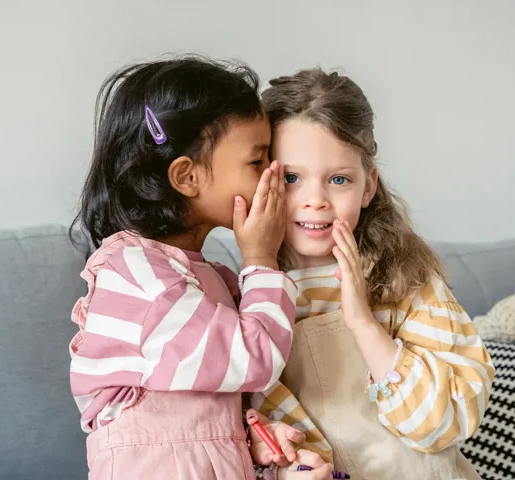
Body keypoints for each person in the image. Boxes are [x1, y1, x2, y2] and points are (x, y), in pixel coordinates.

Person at [68, 56, 331, 479]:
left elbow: (214, 400)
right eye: (257, 161)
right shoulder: (139, 277)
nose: (273, 176)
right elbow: (255, 360)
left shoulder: (208, 277)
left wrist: (255, 442)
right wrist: (261, 260)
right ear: (187, 177)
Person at [249, 68, 495, 480]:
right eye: (291, 178)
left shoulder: (408, 281)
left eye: (339, 179)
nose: (315, 200)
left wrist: (362, 323)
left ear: (368, 187)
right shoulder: (243, 299)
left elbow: (444, 425)